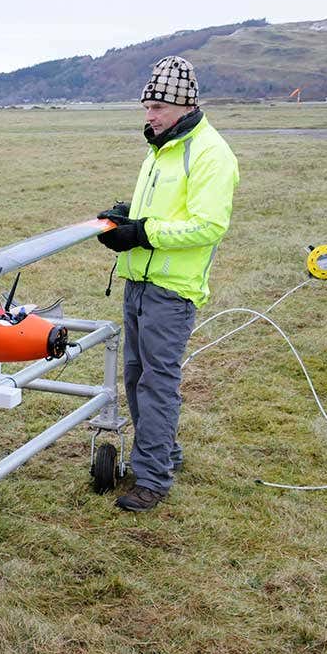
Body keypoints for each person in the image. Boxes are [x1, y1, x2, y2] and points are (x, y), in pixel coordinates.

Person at [96, 56, 239, 512]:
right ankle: (166, 454)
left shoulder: (210, 154)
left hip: (170, 292)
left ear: (184, 105)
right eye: (146, 106)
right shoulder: (161, 148)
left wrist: (142, 233)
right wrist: (125, 220)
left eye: (157, 107)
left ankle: (153, 478)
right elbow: (161, 210)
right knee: (138, 379)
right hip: (138, 283)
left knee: (157, 384)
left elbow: (208, 226)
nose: (149, 116)